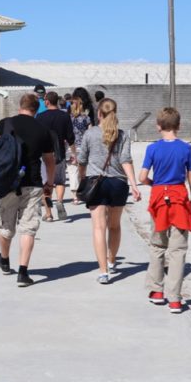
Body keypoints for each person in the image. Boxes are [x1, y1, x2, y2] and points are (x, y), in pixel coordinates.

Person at [0, 93, 56, 287]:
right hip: (32, 182)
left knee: (6, 226)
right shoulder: (43, 130)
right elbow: (50, 161)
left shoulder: (6, 123)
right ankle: (23, 273)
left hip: (7, 182)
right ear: (36, 109)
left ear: (20, 106)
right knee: (29, 228)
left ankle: (5, 261)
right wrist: (49, 183)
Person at [137, 107, 191, 314]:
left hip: (158, 197)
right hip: (179, 197)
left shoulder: (152, 149)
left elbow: (142, 177)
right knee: (178, 249)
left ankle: (156, 291)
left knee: (157, 244)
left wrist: (154, 184)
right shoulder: (186, 149)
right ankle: (175, 298)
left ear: (158, 126)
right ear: (178, 126)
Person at [77, 98, 141, 284]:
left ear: (99, 113)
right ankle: (112, 261)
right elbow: (126, 160)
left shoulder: (90, 134)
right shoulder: (122, 135)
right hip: (118, 185)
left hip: (96, 183)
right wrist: (134, 185)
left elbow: (82, 160)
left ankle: (103, 271)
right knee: (115, 225)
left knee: (99, 227)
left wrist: (82, 178)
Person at [36, 91, 76, 221]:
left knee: (46, 183)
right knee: (60, 181)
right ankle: (59, 201)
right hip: (59, 153)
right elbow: (70, 137)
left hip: (44, 154)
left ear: (47, 101)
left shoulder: (40, 117)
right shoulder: (64, 116)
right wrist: (73, 153)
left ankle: (48, 214)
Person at [69, 95, 91, 204]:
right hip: (83, 147)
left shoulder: (68, 118)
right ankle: (83, 192)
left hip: (70, 146)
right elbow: (90, 133)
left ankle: (75, 197)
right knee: (83, 171)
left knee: (73, 171)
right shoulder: (86, 118)